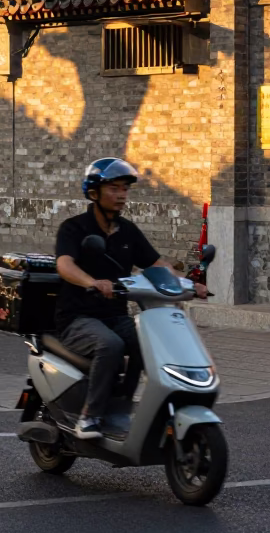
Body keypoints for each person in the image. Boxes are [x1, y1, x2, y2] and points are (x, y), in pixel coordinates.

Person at [55, 158, 208, 439]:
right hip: (77, 318)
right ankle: (91, 415)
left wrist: (188, 284)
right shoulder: (74, 228)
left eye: (125, 188)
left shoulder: (127, 231)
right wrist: (92, 282)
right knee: (110, 345)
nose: (122, 195)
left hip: (114, 315)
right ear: (93, 192)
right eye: (114, 188)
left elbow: (156, 264)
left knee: (150, 341)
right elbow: (64, 265)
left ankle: (123, 406)